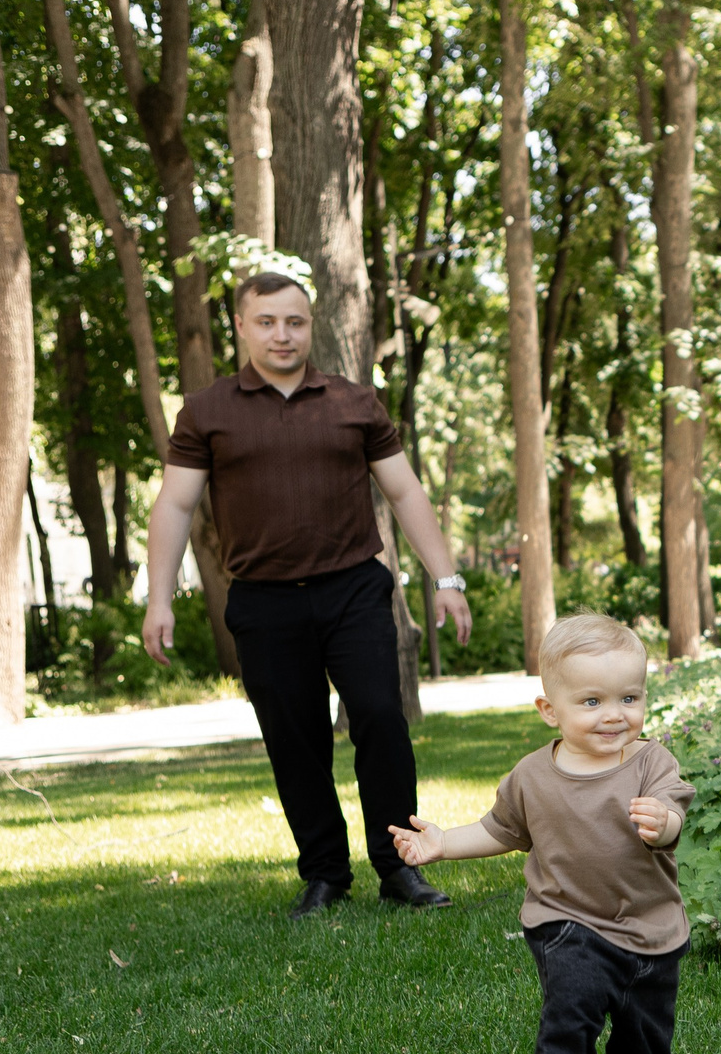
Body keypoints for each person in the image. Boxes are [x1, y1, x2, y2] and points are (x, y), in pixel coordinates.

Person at [141, 273, 474, 918]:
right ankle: (325, 875)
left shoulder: (355, 402)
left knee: (380, 718)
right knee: (295, 742)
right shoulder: (208, 411)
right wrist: (160, 598)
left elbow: (404, 493)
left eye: (294, 321)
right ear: (241, 325)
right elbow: (175, 504)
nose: (282, 334)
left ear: (310, 324)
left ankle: (400, 867)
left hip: (354, 589)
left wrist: (446, 579)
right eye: (266, 321)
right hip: (264, 602)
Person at [388, 613, 693, 1054]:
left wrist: (663, 824)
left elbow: (672, 820)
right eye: (592, 702)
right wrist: (443, 845)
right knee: (571, 1004)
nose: (614, 716)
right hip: (565, 918)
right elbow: (501, 830)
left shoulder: (651, 763)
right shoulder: (531, 776)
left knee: (643, 1021)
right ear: (550, 710)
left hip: (649, 922)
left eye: (629, 698)